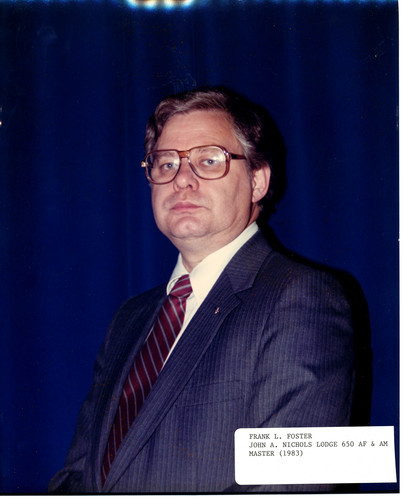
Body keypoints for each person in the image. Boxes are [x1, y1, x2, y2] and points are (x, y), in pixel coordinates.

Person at [48, 87, 355, 493]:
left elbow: (288, 489)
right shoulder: (129, 319)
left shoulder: (301, 298)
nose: (182, 180)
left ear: (258, 181)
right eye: (166, 163)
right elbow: (77, 477)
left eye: (209, 160)